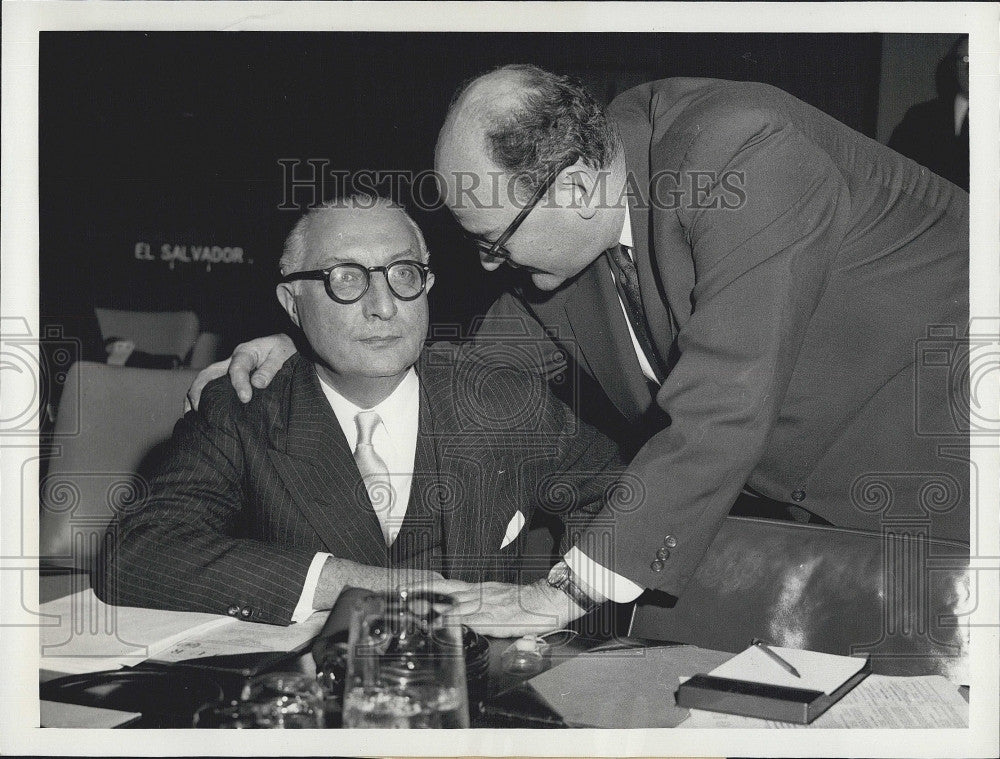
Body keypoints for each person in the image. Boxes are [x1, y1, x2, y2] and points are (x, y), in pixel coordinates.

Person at [193, 66, 969, 633]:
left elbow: (725, 406)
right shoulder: (577, 240)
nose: (493, 268)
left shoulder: (745, 152)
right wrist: (317, 353)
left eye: (492, 244)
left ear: (572, 190)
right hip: (835, 530)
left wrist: (561, 591)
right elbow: (455, 370)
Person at [96, 196, 620, 629]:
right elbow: (133, 554)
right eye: (346, 278)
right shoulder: (242, 412)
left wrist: (559, 600)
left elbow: (624, 493)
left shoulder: (499, 400)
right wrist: (354, 583)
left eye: (404, 274)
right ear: (292, 301)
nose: (384, 306)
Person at [889, 36, 970, 191]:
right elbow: (895, 169)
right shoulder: (920, 117)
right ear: (954, 66)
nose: (970, 69)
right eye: (965, 60)